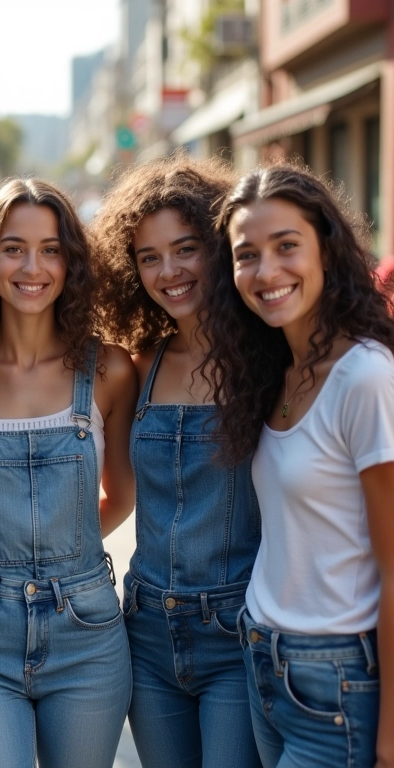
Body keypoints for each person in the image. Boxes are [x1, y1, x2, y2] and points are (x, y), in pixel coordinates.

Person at [0, 178, 138, 768]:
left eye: (51, 248)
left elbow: (122, 496)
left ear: (71, 261)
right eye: (13, 247)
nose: (33, 266)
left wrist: (62, 562)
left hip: (87, 632)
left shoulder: (108, 369)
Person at [205, 164, 394, 767]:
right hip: (262, 658)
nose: (267, 272)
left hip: (336, 680)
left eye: (287, 246)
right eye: (246, 255)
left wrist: (390, 738)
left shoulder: (365, 378)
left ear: (327, 252)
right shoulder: (272, 370)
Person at [90, 154, 262, 768]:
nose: (169, 272)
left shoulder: (266, 362)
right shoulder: (141, 364)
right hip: (147, 629)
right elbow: (119, 491)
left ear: (219, 244)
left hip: (239, 631)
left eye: (185, 249)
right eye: (148, 257)